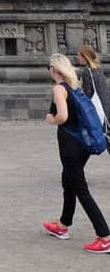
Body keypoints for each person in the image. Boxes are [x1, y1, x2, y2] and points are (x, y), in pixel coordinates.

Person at [43, 52, 110, 253]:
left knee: (80, 189)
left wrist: (51, 119)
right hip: (82, 144)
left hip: (70, 145)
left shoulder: (58, 89)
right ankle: (63, 225)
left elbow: (62, 116)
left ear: (54, 69)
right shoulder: (74, 86)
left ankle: (105, 236)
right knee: (68, 182)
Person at [79, 45, 110, 154]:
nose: (78, 58)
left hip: (100, 110)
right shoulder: (98, 68)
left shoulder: (87, 71)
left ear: (84, 57)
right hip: (107, 106)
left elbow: (88, 95)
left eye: (80, 56)